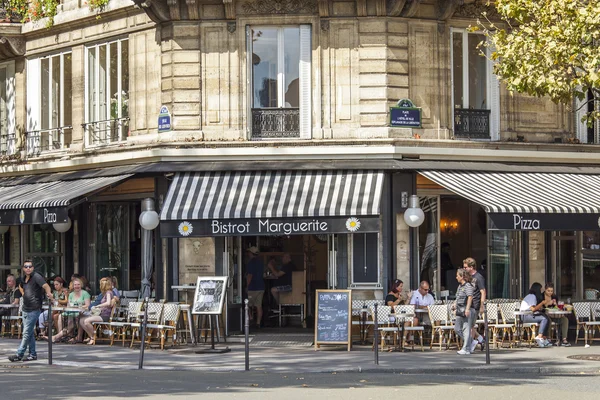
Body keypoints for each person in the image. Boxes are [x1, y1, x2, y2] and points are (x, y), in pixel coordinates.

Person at [8, 260, 53, 362]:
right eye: (26, 266)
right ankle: (32, 354)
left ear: (33, 268)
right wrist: (24, 293)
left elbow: (46, 286)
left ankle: (19, 354)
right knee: (29, 333)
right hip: (25, 308)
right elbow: (20, 286)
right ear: (23, 268)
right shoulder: (23, 279)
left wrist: (49, 294)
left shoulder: (36, 277)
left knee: (26, 332)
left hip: (35, 308)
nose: (28, 268)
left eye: (30, 266)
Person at [52, 277, 91, 343]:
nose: (77, 286)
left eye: (78, 284)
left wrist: (79, 306)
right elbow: (69, 305)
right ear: (73, 286)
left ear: (81, 285)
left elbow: (88, 305)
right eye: (75, 285)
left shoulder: (85, 293)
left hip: (82, 312)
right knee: (60, 316)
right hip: (72, 312)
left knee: (75, 320)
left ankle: (57, 337)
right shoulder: (71, 294)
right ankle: (61, 335)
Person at [78, 277, 114, 345]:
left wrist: (98, 306)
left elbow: (108, 303)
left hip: (105, 315)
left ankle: (93, 337)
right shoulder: (105, 293)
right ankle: (92, 336)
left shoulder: (108, 292)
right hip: (101, 314)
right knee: (81, 320)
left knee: (86, 321)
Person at [463, 257, 486, 352]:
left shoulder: (478, 277)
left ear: (471, 267)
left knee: (470, 326)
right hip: (469, 304)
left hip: (475, 304)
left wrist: (481, 305)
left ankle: (470, 345)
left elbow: (483, 292)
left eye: (465, 267)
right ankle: (480, 339)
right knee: (469, 325)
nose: (464, 269)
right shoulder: (469, 277)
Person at [520, 282, 553, 348]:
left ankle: (544, 338)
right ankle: (539, 336)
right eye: (540, 289)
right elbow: (533, 309)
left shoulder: (531, 296)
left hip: (528, 315)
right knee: (544, 318)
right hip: (526, 316)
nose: (540, 291)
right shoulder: (532, 296)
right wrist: (542, 303)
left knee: (547, 318)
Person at [454, 268, 475, 355]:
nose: (456, 277)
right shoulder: (460, 286)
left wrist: (467, 309)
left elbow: (470, 297)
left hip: (466, 309)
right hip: (460, 310)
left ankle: (466, 348)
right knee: (457, 328)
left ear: (462, 276)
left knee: (466, 328)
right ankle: (471, 342)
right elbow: (458, 297)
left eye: (457, 276)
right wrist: (454, 304)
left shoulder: (467, 286)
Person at [542, 282, 570, 346]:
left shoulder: (554, 296)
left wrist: (557, 306)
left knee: (565, 319)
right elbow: (540, 307)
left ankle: (564, 339)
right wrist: (547, 303)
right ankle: (548, 339)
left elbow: (557, 307)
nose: (550, 292)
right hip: (545, 315)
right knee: (548, 320)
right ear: (545, 290)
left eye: (551, 291)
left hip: (555, 315)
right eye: (548, 291)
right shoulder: (541, 296)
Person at [246, 246, 265, 328]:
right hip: (261, 286)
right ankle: (258, 323)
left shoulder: (250, 263)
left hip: (252, 287)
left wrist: (247, 286)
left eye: (248, 252)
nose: (248, 254)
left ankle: (250, 318)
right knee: (259, 305)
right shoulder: (261, 262)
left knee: (248, 305)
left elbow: (249, 275)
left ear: (251, 253)